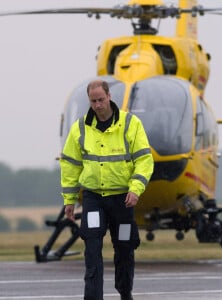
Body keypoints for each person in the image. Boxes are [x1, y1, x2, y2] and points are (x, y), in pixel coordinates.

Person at [60, 79, 154, 300]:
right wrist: (69, 200)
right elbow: (70, 165)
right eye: (93, 101)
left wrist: (136, 188)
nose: (98, 105)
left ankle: (125, 291)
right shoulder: (80, 128)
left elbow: (144, 160)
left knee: (124, 248)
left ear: (110, 97)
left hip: (123, 199)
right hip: (94, 197)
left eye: (101, 99)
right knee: (92, 247)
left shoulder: (131, 124)